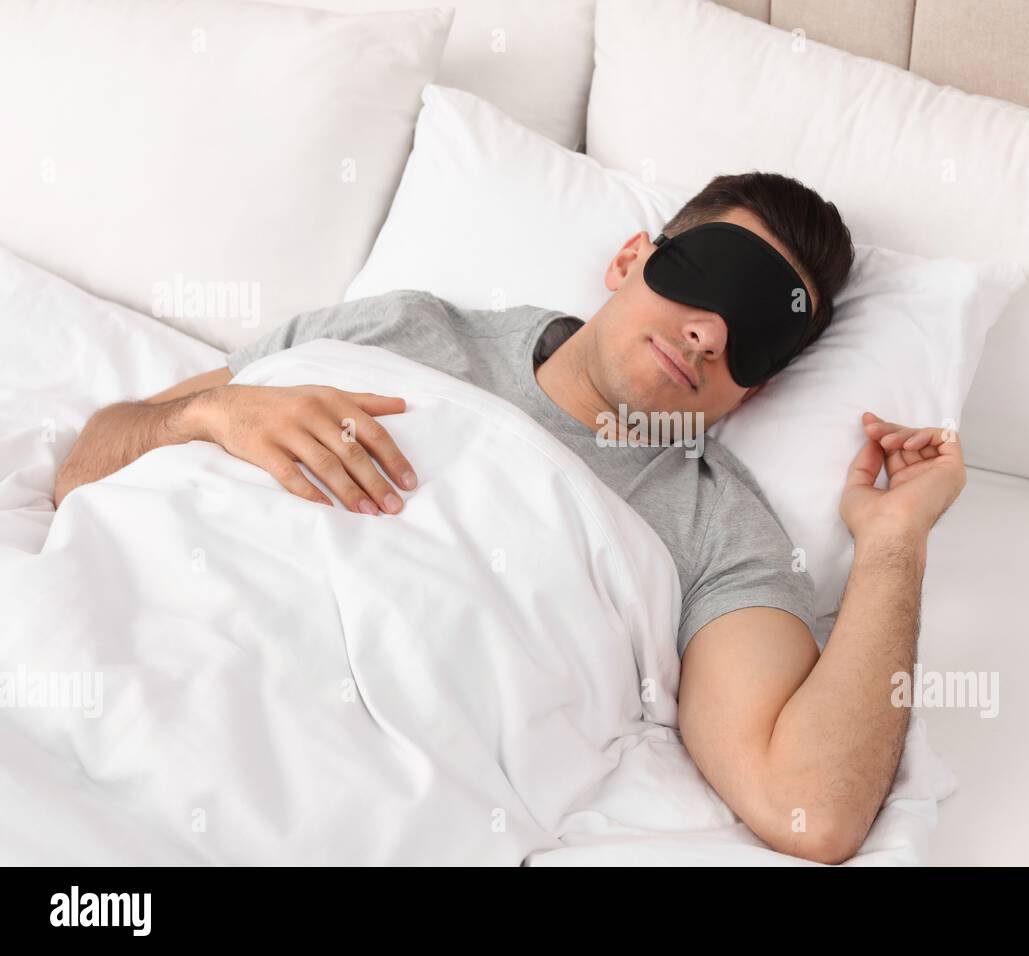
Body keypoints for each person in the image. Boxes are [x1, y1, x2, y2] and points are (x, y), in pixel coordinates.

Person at [54, 172, 966, 864]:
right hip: (95, 651)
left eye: (758, 333)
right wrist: (205, 416)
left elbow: (809, 803)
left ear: (756, 387)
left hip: (317, 784)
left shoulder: (720, 532)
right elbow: (83, 470)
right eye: (711, 280)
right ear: (628, 259)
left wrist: (896, 544)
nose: (710, 332)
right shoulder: (401, 329)